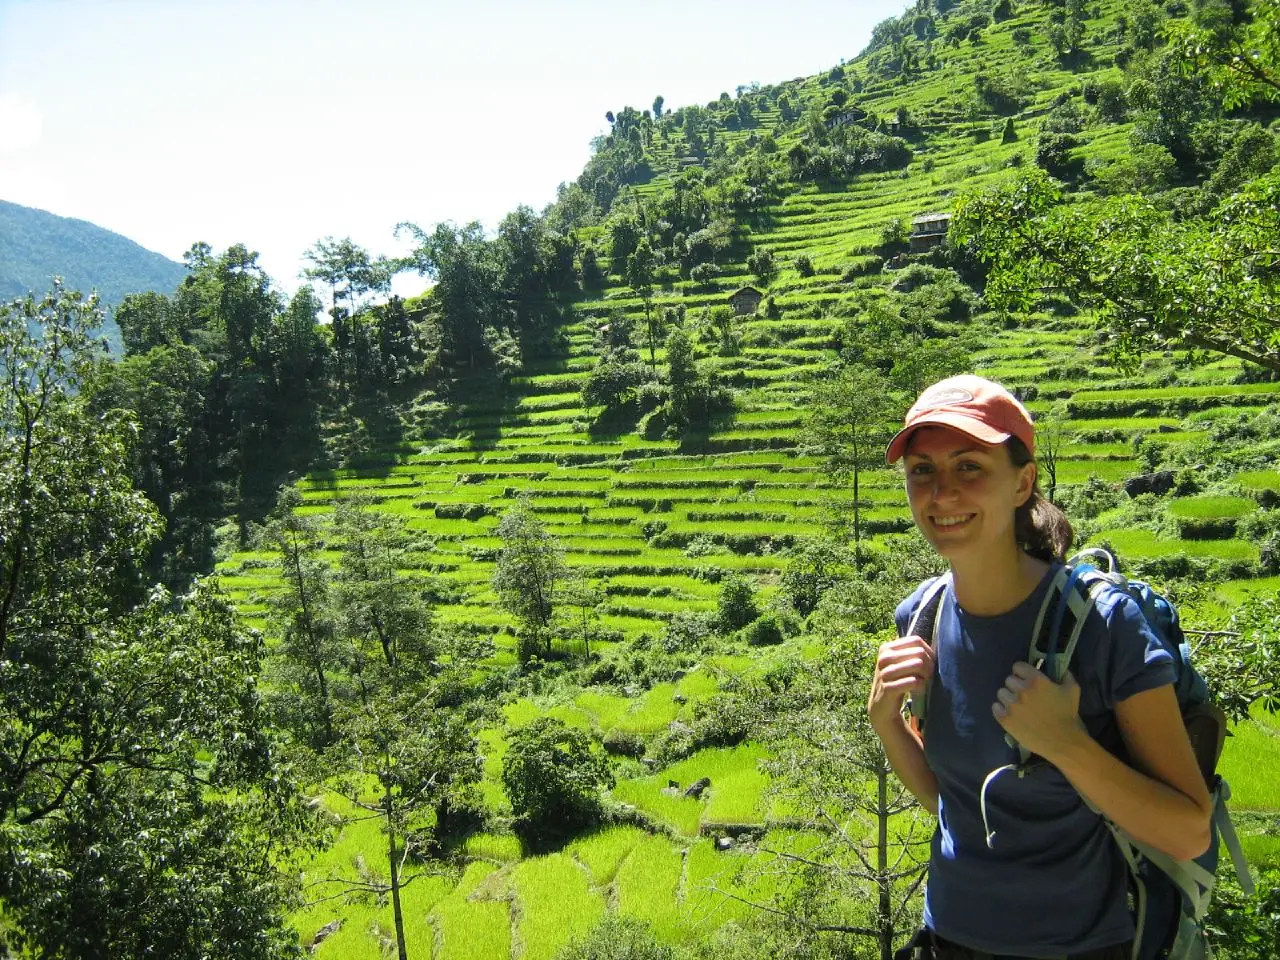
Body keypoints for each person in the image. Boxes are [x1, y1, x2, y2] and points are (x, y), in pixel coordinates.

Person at [867, 375, 1213, 960]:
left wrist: (1067, 744)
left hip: (1081, 947)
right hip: (948, 937)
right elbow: (954, 806)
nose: (941, 493)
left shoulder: (1104, 626)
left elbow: (1188, 831)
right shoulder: (920, 616)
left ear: (1022, 481)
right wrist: (885, 722)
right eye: (922, 470)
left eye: (969, 466)